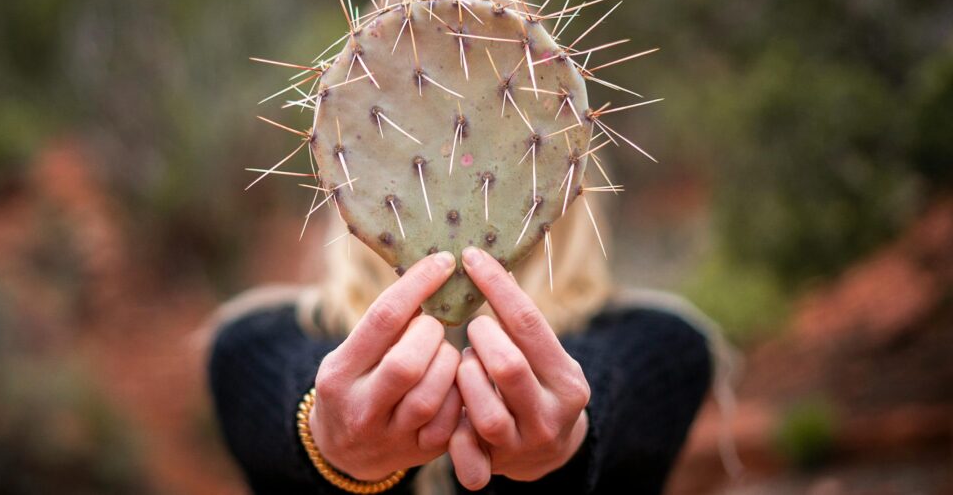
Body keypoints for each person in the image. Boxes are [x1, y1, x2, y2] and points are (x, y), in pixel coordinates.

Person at [206, 198, 715, 494]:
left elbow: (613, 384)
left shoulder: (662, 343)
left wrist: (573, 433)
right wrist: (322, 433)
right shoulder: (255, 341)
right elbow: (282, 380)